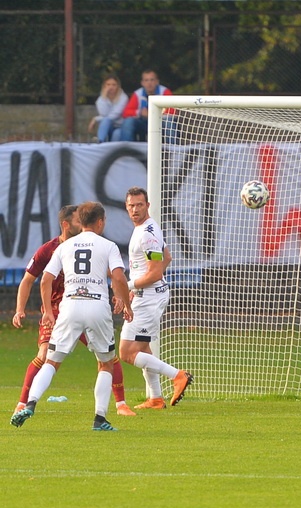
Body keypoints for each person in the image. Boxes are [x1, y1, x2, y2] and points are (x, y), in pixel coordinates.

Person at [10, 202, 133, 431]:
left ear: (82, 221)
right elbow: (118, 277)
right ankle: (100, 419)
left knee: (51, 361)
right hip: (97, 308)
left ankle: (31, 403)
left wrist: (47, 310)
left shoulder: (63, 247)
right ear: (100, 222)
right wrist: (126, 304)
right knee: (106, 363)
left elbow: (45, 280)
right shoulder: (108, 245)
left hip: (69, 308)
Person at [118, 187, 193, 409]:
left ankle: (178, 375)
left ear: (147, 205)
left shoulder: (147, 233)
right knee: (143, 350)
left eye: (139, 205)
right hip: (148, 294)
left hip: (149, 298)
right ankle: (156, 398)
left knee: (126, 352)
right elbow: (166, 257)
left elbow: (156, 272)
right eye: (131, 205)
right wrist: (136, 287)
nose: (134, 209)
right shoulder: (148, 228)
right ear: (126, 206)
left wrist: (127, 286)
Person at [120, 69, 174, 143]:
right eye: (146, 80)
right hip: (143, 123)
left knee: (169, 121)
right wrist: (140, 112)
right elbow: (126, 113)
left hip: (161, 123)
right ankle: (127, 151)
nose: (149, 83)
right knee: (128, 122)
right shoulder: (137, 94)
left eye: (152, 80)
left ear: (157, 82)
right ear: (142, 83)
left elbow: (172, 110)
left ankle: (173, 150)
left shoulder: (164, 92)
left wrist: (153, 114)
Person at [88, 74, 128, 143]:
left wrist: (96, 119)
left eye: (114, 85)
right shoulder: (101, 98)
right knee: (105, 121)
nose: (111, 87)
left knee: (116, 134)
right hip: (108, 125)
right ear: (104, 86)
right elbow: (103, 113)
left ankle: (111, 150)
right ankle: (100, 142)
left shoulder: (123, 98)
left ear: (118, 86)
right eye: (108, 84)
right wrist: (104, 97)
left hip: (120, 125)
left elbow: (115, 115)